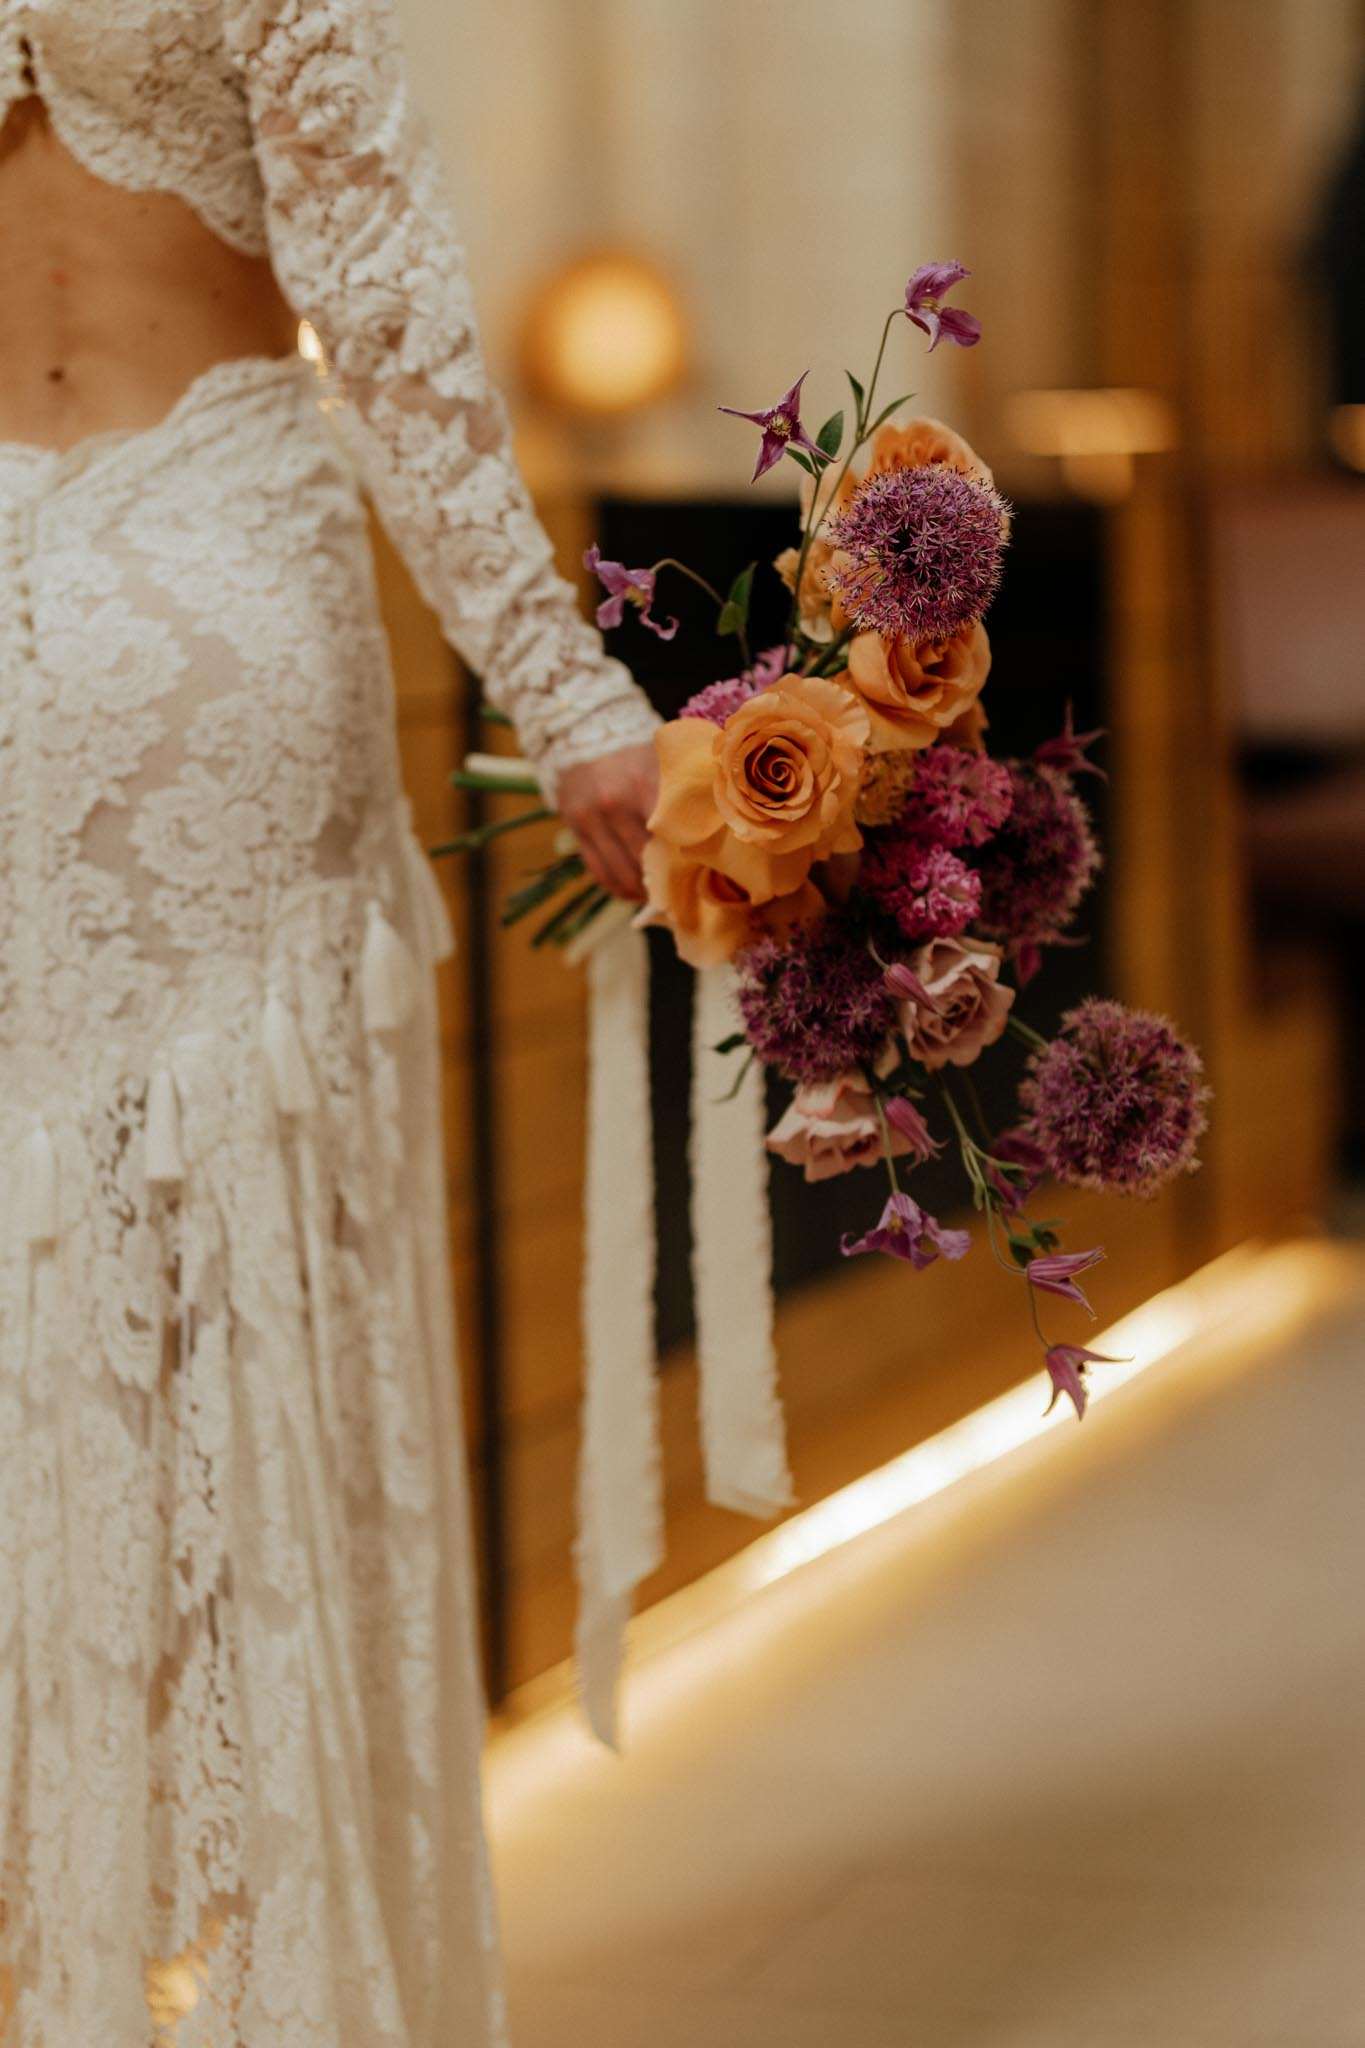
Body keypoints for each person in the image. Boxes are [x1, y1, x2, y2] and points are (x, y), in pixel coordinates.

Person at [0, 4, 660, 2041]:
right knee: (257, 1288)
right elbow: (386, 327)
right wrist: (574, 704)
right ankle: (266, 1972)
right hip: (212, 602)